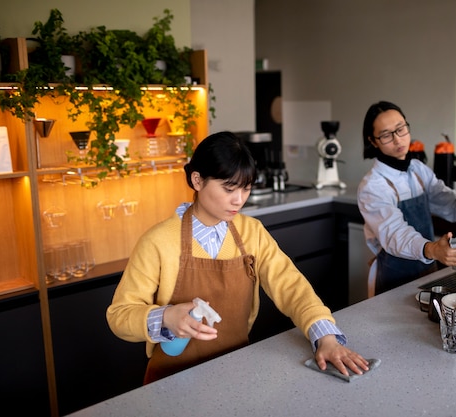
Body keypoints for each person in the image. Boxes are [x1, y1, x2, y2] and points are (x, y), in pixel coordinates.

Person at [107, 131, 369, 383]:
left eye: (246, 189)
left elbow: (291, 285)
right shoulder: (157, 241)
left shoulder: (251, 232)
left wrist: (326, 337)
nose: (239, 200)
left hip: (234, 370)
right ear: (197, 180)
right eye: (229, 188)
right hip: (171, 379)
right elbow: (119, 315)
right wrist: (165, 317)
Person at [357, 101, 456, 295]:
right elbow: (395, 234)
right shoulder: (373, 186)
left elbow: (450, 205)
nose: (398, 140)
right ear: (373, 141)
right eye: (387, 135)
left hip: (427, 269)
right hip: (393, 276)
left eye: (400, 129)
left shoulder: (418, 169)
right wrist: (432, 250)